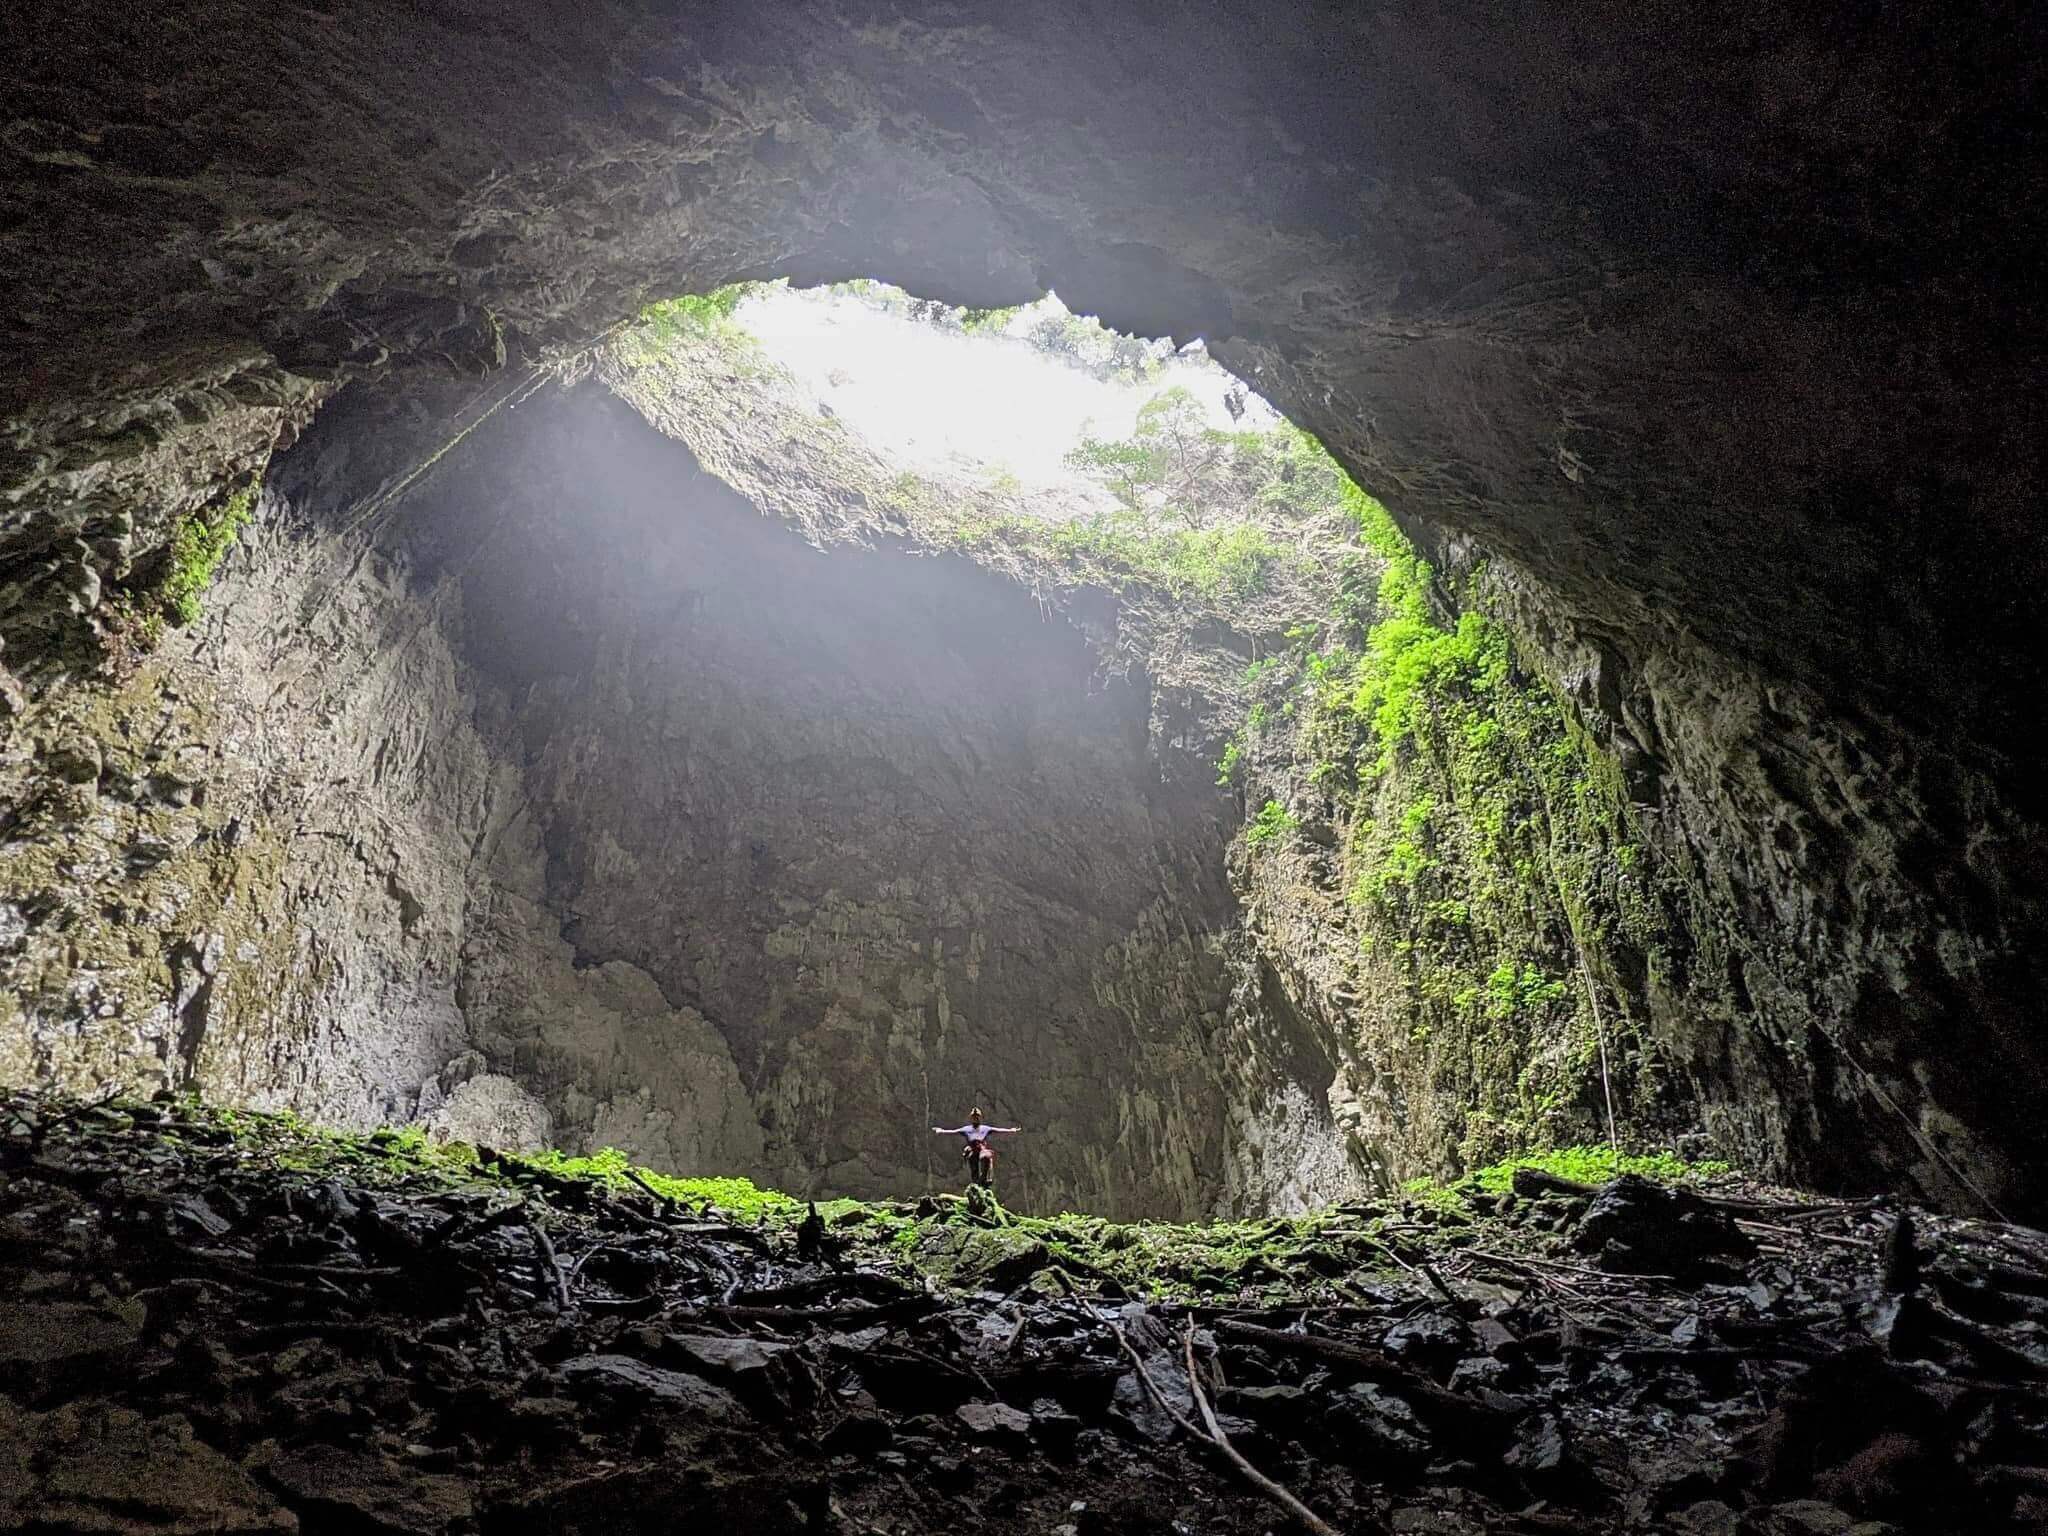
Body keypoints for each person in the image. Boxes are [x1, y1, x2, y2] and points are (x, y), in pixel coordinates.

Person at [931, 1107, 1019, 1187]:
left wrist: (1011, 1130)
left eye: (977, 1117)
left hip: (982, 1149)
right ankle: (976, 1183)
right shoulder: (966, 1129)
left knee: (986, 1156)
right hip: (973, 1150)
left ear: (980, 1118)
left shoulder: (985, 1128)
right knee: (973, 1166)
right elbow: (953, 1131)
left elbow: (998, 1130)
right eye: (974, 1117)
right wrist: (941, 1131)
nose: (976, 1118)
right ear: (971, 1118)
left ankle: (985, 1178)